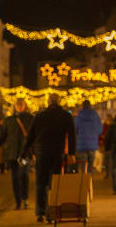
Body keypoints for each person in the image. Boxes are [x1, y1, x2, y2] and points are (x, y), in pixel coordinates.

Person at [20, 93, 76, 223]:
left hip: (41, 153)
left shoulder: (39, 116)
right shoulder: (66, 116)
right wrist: (71, 153)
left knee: (41, 183)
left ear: (48, 102)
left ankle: (40, 213)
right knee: (55, 183)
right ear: (59, 102)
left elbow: (30, 137)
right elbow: (72, 136)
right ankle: (52, 212)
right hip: (57, 153)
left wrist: (23, 153)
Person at [0, 98, 34, 210]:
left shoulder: (30, 119)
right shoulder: (9, 120)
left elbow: (34, 136)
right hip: (12, 154)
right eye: (18, 104)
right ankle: (18, 201)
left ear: (25, 106)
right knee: (15, 178)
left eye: (21, 104)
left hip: (24, 154)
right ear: (15, 106)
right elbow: (1, 137)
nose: (19, 106)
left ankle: (24, 198)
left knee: (24, 175)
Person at [74, 100, 102, 174]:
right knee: (91, 163)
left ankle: (84, 179)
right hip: (92, 144)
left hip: (81, 143)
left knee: (83, 164)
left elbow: (75, 129)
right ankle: (90, 179)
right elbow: (100, 130)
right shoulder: (96, 116)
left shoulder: (79, 116)